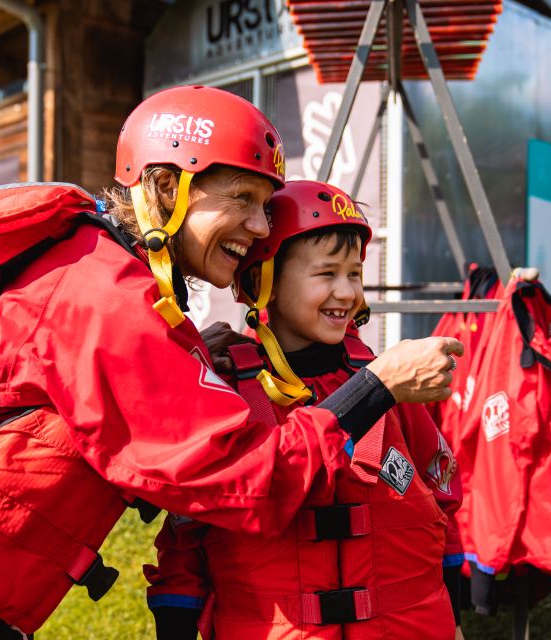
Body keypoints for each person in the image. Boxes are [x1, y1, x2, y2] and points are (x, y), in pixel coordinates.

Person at [0, 85, 462, 639]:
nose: (261, 228)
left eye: (266, 206)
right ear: (167, 187)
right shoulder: (101, 296)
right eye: (241, 199)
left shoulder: (89, 263)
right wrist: (378, 385)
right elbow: (249, 481)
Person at [145, 180, 465, 640]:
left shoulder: (394, 384)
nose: (346, 292)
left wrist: (453, 618)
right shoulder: (228, 395)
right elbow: (185, 538)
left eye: (354, 274)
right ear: (263, 280)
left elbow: (442, 502)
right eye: (326, 273)